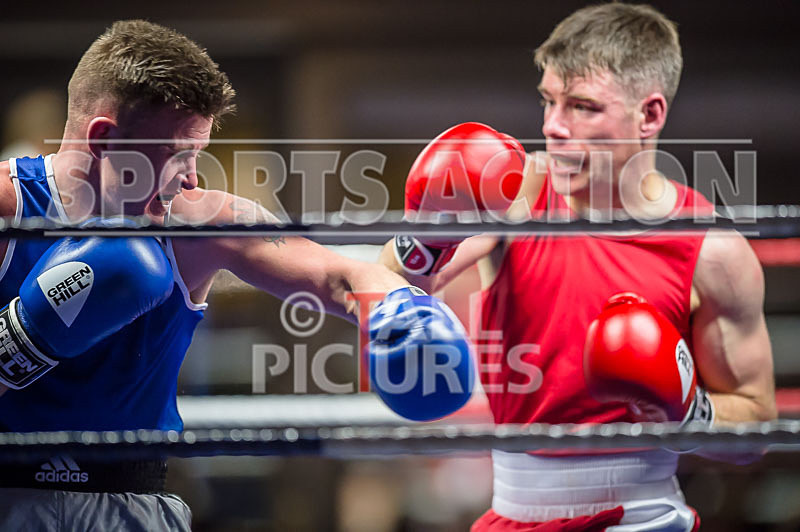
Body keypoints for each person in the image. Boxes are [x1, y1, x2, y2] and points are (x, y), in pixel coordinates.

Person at [0, 20, 472, 530]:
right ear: (106, 139)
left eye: (197, 154)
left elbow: (340, 276)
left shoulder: (201, 222)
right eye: (179, 154)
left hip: (132, 507)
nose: (193, 176)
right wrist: (22, 340)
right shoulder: (9, 208)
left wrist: (396, 311)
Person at [380, 4, 777, 531]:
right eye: (549, 101)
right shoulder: (517, 191)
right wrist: (427, 234)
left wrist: (687, 410)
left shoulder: (711, 251)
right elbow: (390, 285)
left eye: (583, 107)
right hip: (513, 513)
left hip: (644, 517)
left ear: (650, 115)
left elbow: (756, 427)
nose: (553, 127)